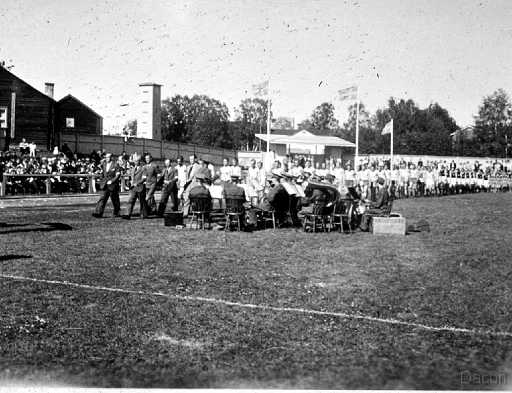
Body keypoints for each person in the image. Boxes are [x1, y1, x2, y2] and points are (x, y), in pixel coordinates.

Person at [92, 153, 121, 218]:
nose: (107, 158)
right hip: (105, 185)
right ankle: (98, 213)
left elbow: (118, 175)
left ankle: (117, 212)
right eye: (106, 157)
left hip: (113, 185)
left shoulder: (116, 165)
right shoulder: (104, 164)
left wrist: (112, 181)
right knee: (102, 198)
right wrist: (101, 180)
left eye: (108, 157)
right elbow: (103, 173)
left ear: (112, 158)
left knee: (115, 199)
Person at [123, 155, 149, 219]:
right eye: (134, 161)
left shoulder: (143, 169)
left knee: (142, 202)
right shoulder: (133, 169)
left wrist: (137, 183)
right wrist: (129, 183)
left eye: (137, 161)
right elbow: (130, 177)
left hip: (140, 187)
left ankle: (144, 214)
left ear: (139, 161)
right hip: (133, 188)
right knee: (130, 200)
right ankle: (127, 214)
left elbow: (144, 179)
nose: (135, 162)